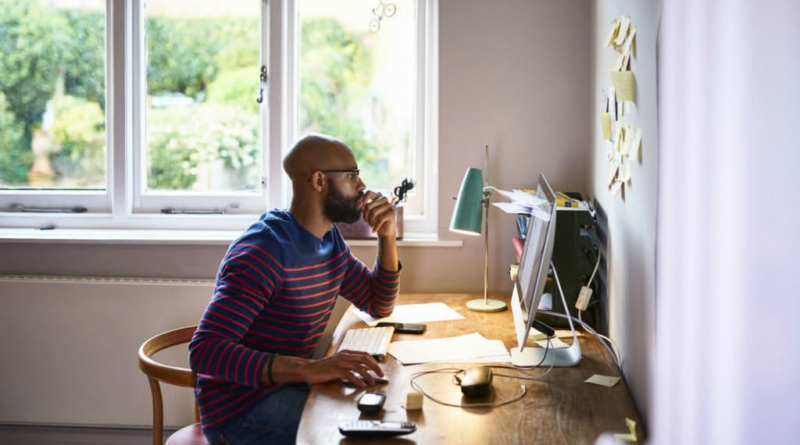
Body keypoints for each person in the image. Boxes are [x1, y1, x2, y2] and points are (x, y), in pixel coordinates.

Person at [188, 134, 401, 445]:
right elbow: (205, 351)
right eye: (353, 175)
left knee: (383, 415)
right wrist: (311, 369)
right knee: (364, 436)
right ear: (318, 181)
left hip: (289, 389)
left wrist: (387, 235)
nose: (362, 186)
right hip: (241, 411)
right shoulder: (263, 252)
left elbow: (377, 303)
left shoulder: (330, 241)